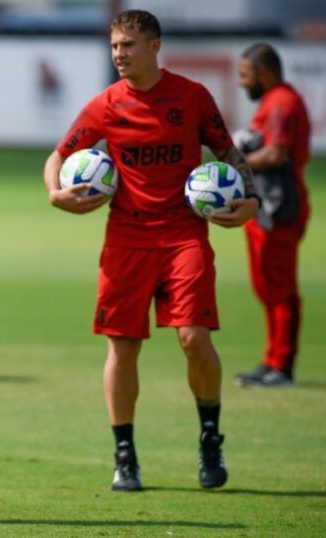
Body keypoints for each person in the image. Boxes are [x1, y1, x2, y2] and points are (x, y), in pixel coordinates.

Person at [43, 10, 260, 492]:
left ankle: (209, 438)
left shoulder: (192, 97)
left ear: (155, 47)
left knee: (194, 338)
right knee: (122, 346)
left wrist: (252, 201)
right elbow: (59, 156)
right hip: (126, 240)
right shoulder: (105, 105)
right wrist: (56, 193)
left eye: (129, 45)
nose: (119, 53)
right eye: (115, 45)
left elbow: (228, 152)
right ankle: (125, 455)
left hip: (185, 237)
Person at [233, 43, 311, 387]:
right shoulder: (276, 100)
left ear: (264, 73)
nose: (240, 82)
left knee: (278, 288)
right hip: (269, 205)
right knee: (268, 286)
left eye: (245, 75)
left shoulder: (280, 102)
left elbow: (276, 154)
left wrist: (237, 160)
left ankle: (282, 366)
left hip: (280, 206)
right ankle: (272, 361)